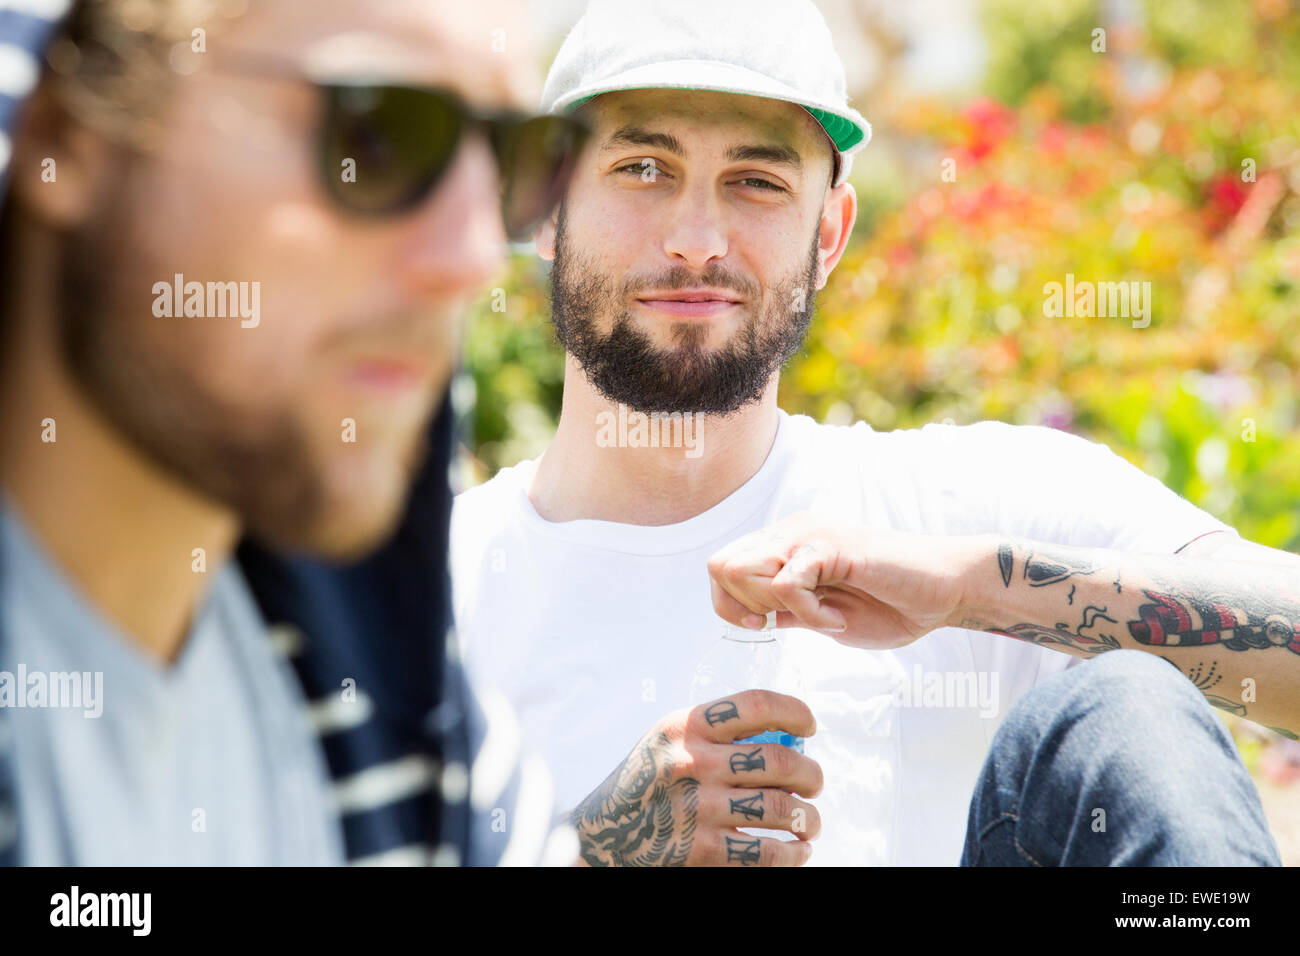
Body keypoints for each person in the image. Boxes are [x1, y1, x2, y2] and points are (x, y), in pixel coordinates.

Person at [449, 0, 1297, 866]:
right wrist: (596, 853)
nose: (696, 241)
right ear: (545, 208)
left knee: (1131, 708)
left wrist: (980, 591)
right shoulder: (430, 591)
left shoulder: (968, 503)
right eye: (642, 167)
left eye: (757, 181)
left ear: (828, 234)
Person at [0, 0, 584, 866]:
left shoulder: (397, 715)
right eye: (380, 129)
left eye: (510, 157)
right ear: (68, 128)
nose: (473, 257)